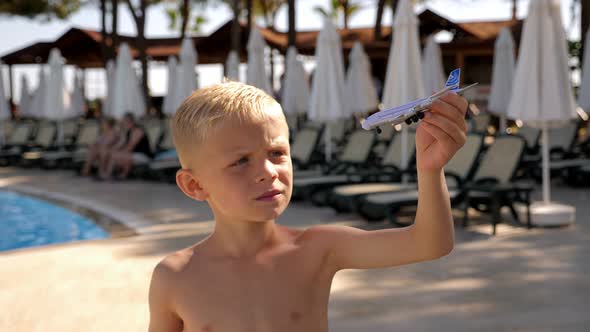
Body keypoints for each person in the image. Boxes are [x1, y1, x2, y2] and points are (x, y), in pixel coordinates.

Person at [148, 82, 468, 332]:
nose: (268, 172)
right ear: (195, 185)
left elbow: (431, 243)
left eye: (276, 153)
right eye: (240, 161)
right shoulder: (175, 276)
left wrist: (429, 170)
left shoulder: (317, 248)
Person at [98, 113, 153, 180]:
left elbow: (130, 147)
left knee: (115, 155)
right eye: (124, 122)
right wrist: (112, 149)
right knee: (111, 153)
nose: (125, 124)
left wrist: (118, 152)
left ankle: (108, 175)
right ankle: (114, 174)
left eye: (126, 122)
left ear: (132, 122)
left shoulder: (138, 131)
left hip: (143, 156)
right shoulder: (128, 132)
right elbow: (120, 144)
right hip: (133, 155)